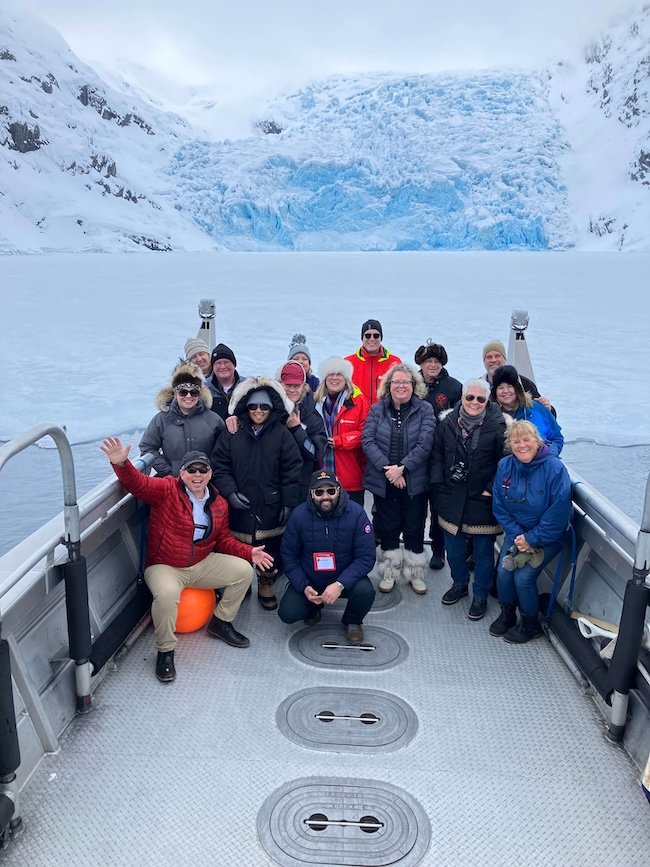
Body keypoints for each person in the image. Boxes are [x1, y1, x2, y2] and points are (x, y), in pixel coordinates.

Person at [100, 440, 273, 683]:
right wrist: (121, 463)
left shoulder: (219, 503)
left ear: (210, 473)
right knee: (168, 594)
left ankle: (220, 623)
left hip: (200, 563)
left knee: (244, 571)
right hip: (164, 565)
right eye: (191, 470)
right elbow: (137, 484)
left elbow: (222, 539)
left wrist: (248, 552)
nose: (197, 475)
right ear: (181, 473)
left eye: (203, 470)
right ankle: (166, 651)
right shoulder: (166, 489)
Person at [213, 377, 303, 611]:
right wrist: (230, 492)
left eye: (264, 406)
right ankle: (241, 584)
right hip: (240, 504)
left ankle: (265, 583)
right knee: (238, 546)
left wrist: (288, 502)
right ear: (246, 407)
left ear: (272, 408)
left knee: (269, 548)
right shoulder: (232, 432)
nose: (258, 411)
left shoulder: (282, 435)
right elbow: (219, 465)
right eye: (253, 406)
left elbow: (292, 469)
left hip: (270, 504)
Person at [430, 378, 506, 620]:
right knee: (453, 549)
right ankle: (459, 584)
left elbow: (504, 463)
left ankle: (480, 594)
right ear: (462, 398)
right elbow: (437, 455)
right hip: (451, 495)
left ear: (488, 401)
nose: (474, 402)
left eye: (480, 399)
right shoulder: (448, 422)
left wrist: (490, 488)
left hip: (481, 498)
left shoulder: (499, 426)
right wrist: (440, 484)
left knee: (483, 553)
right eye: (470, 397)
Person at [491, 420, 572, 643]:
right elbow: (499, 505)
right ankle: (507, 615)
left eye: (526, 440)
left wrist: (532, 538)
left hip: (548, 536)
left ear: (537, 441)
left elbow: (558, 512)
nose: (522, 445)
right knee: (504, 573)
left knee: (524, 578)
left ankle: (530, 624)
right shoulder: (505, 465)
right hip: (517, 534)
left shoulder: (554, 468)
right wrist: (518, 536)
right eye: (516, 441)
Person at [278, 470, 376, 644]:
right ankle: (313, 606)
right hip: (311, 579)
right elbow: (289, 556)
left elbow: (366, 557)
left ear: (339, 490)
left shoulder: (356, 514)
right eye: (319, 492)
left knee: (365, 591)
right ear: (311, 493)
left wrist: (340, 584)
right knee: (287, 613)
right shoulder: (299, 516)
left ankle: (352, 621)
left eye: (331, 491)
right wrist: (303, 585)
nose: (326, 497)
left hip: (344, 579)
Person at [362, 363, 435, 595]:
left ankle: (416, 573)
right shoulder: (376, 410)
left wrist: (402, 468)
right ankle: (389, 573)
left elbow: (425, 443)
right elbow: (368, 441)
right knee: (388, 527)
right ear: (388, 386)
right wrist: (390, 471)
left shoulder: (425, 410)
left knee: (414, 527)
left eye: (406, 382)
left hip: (414, 481)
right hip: (385, 482)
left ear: (414, 386)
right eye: (396, 382)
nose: (401, 386)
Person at [414, 339, 462, 570]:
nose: (432, 365)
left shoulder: (453, 387)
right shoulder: (411, 384)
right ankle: (414, 546)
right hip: (415, 456)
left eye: (436, 361)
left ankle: (438, 549)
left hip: (441, 457)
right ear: (420, 364)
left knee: (438, 506)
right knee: (416, 505)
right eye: (427, 361)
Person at [139, 361, 224, 477]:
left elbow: (224, 452)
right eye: (183, 392)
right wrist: (169, 471)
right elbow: (147, 447)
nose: (188, 396)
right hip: (173, 484)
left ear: (199, 394)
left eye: (194, 392)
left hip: (205, 483)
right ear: (175, 393)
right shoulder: (161, 420)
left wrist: (207, 472)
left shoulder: (214, 420)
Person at [313, 357, 369, 506]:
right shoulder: (315, 402)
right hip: (321, 474)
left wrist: (340, 440)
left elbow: (367, 434)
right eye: (331, 374)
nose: (335, 378)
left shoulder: (359, 402)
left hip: (350, 477)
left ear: (346, 378)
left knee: (351, 522)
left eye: (339, 374)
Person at [277, 361, 327, 499]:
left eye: (296, 386)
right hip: (273, 484)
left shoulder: (312, 416)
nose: (292, 390)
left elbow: (316, 453)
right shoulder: (270, 411)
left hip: (302, 486)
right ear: (280, 385)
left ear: (303, 387)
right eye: (288, 385)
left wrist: (297, 430)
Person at [490, 365, 564, 456]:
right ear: (495, 392)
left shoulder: (537, 408)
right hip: (509, 467)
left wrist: (546, 456)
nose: (505, 391)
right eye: (500, 387)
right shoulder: (491, 416)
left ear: (517, 388)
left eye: (509, 386)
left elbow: (557, 438)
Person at [481, 340, 552, 410]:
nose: (493, 360)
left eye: (497, 356)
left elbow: (543, 411)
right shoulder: (477, 386)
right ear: (484, 361)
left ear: (505, 359)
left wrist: (548, 408)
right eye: (489, 357)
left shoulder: (525, 384)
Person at [345, 318, 402, 405]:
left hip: (384, 414)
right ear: (362, 338)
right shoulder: (348, 363)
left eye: (376, 335)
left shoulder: (394, 362)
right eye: (368, 336)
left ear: (381, 338)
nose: (372, 339)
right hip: (357, 415)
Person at [207, 343, 243, 421]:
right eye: (218, 363)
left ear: (234, 364)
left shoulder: (246, 386)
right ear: (212, 367)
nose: (223, 366)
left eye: (226, 362)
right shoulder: (203, 389)